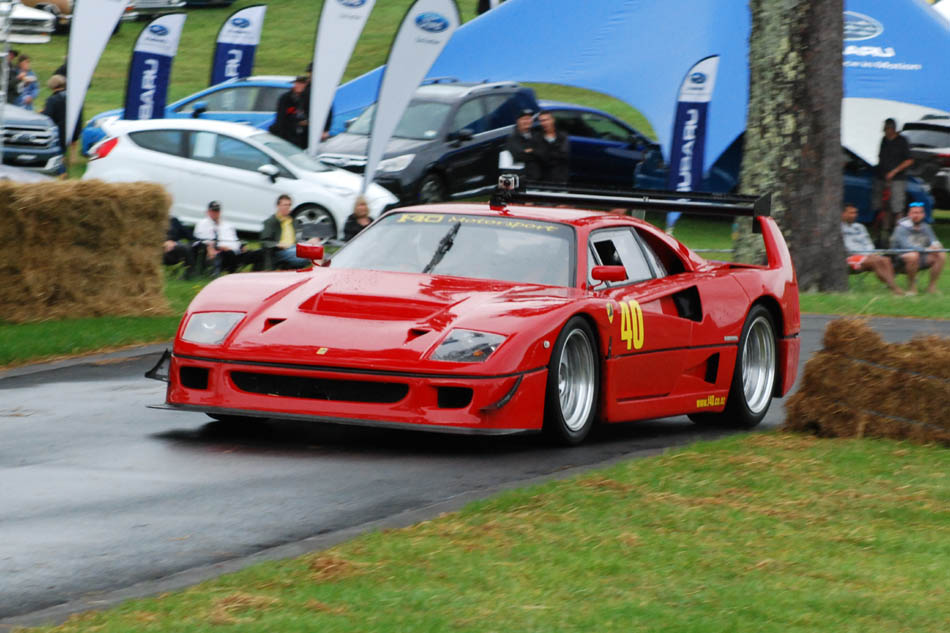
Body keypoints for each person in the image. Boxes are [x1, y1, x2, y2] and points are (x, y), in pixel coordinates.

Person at [840, 203, 904, 296]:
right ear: (843, 214)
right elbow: (847, 247)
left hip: (866, 256)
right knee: (875, 261)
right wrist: (866, 255)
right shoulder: (838, 229)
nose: (854, 215)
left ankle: (890, 286)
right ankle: (895, 289)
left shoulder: (860, 227)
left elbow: (868, 242)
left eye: (855, 213)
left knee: (886, 260)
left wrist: (871, 253)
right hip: (849, 258)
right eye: (851, 213)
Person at [871, 118, 913, 246]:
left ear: (892, 129)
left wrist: (894, 172)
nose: (885, 131)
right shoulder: (884, 140)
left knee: (897, 207)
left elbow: (909, 160)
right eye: (884, 128)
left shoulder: (902, 141)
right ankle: (883, 235)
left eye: (887, 128)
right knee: (883, 207)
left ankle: (899, 236)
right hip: (881, 178)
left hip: (897, 180)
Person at [890, 201, 945, 295]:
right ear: (909, 214)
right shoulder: (900, 228)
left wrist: (937, 246)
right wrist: (926, 249)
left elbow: (934, 240)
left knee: (941, 254)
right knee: (913, 255)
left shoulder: (926, 227)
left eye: (920, 212)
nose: (917, 215)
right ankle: (912, 288)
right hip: (900, 260)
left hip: (921, 257)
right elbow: (906, 246)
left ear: (923, 215)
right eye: (914, 212)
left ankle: (931, 287)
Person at [193, 201, 245, 276]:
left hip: (232, 250)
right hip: (214, 250)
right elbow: (201, 239)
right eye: (213, 211)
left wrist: (239, 246)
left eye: (217, 211)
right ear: (208, 212)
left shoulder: (227, 225)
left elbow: (234, 239)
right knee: (228, 254)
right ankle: (228, 275)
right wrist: (217, 247)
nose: (215, 213)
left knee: (253, 254)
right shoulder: (202, 224)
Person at [260, 194, 313, 269]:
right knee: (313, 254)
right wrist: (278, 244)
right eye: (285, 205)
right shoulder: (271, 221)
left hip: (294, 248)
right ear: (278, 206)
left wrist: (309, 242)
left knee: (317, 250)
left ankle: (322, 269)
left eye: (289, 205)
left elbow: (299, 237)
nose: (287, 207)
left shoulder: (293, 221)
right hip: (280, 251)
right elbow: (264, 242)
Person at [503, 108, 541, 181]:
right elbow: (520, 155)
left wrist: (530, 151)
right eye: (524, 119)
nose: (527, 121)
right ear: (518, 121)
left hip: (539, 176)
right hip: (523, 179)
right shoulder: (513, 137)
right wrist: (536, 151)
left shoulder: (536, 134)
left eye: (529, 118)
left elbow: (544, 151)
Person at [272, 75, 309, 148]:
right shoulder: (286, 98)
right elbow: (283, 116)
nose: (299, 86)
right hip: (288, 133)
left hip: (303, 136)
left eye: (302, 84)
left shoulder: (308, 98)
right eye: (297, 83)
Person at [535, 110, 570, 185]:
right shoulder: (537, 137)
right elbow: (538, 156)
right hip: (543, 180)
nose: (544, 123)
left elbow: (564, 155)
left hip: (560, 178)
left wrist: (545, 153)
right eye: (541, 121)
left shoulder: (562, 136)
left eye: (546, 120)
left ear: (552, 120)